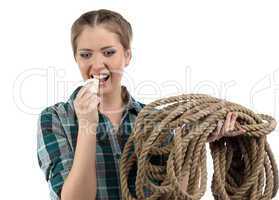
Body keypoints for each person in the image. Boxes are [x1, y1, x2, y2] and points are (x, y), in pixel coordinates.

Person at [37, 9, 246, 200]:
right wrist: (86, 125)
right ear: (76, 58)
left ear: (127, 55)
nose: (98, 64)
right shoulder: (55, 119)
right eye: (86, 55)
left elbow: (175, 196)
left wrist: (192, 142)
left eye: (109, 52)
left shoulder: (155, 119)